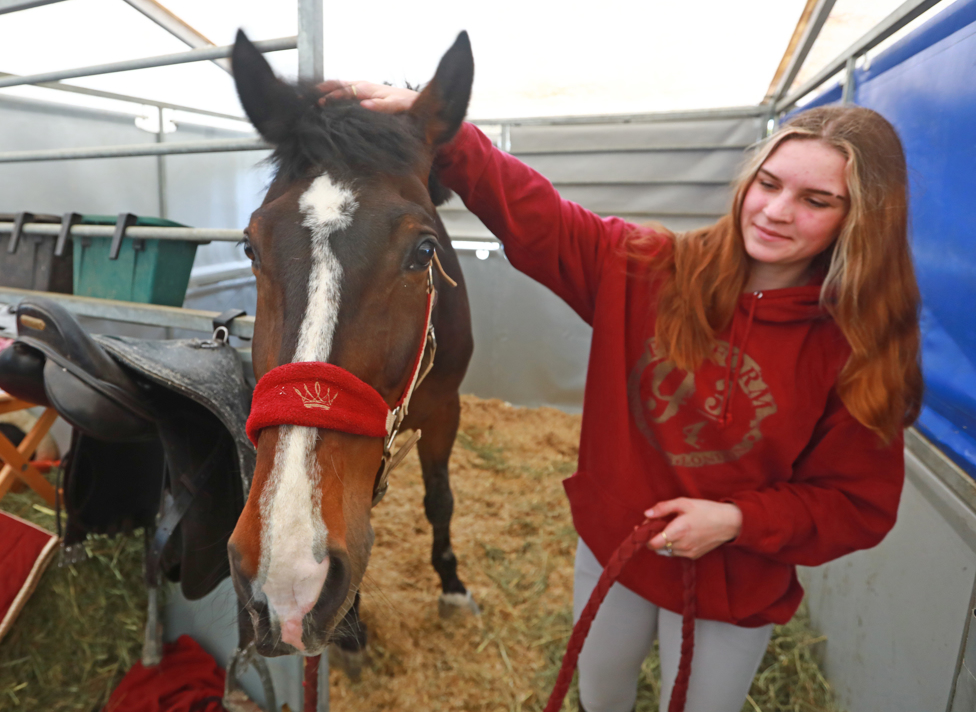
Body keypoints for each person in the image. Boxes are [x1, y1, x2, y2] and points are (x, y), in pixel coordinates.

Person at [322, 81, 922, 712]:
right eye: (768, 184)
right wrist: (448, 132)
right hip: (618, 549)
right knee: (600, 693)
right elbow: (541, 218)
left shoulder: (859, 347)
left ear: (861, 219)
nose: (776, 211)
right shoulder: (653, 269)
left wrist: (738, 521)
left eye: (817, 200)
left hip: (737, 579)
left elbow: (856, 503)